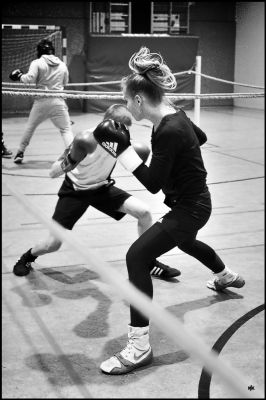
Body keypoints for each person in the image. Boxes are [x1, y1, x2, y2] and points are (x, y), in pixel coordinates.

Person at [93, 47, 245, 375]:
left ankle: (138, 348)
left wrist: (121, 151)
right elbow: (199, 137)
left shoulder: (168, 129)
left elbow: (150, 183)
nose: (125, 105)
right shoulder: (173, 116)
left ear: (137, 99)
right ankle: (224, 275)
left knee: (137, 258)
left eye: (125, 98)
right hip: (195, 202)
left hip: (190, 208)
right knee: (187, 242)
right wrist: (162, 153)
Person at [13, 103, 181, 281]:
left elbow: (146, 171)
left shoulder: (120, 140)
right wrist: (69, 162)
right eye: (119, 128)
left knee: (144, 212)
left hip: (102, 188)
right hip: (75, 191)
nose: (122, 133)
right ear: (107, 124)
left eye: (124, 129)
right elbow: (53, 171)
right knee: (52, 244)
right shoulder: (83, 140)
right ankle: (27, 257)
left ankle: (148, 262)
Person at [9, 39, 74, 164]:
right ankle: (73, 156)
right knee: (66, 129)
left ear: (39, 51)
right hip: (58, 100)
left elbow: (29, 79)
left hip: (41, 101)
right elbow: (65, 83)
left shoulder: (37, 62)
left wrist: (19, 76)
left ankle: (20, 153)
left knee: (30, 127)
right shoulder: (62, 64)